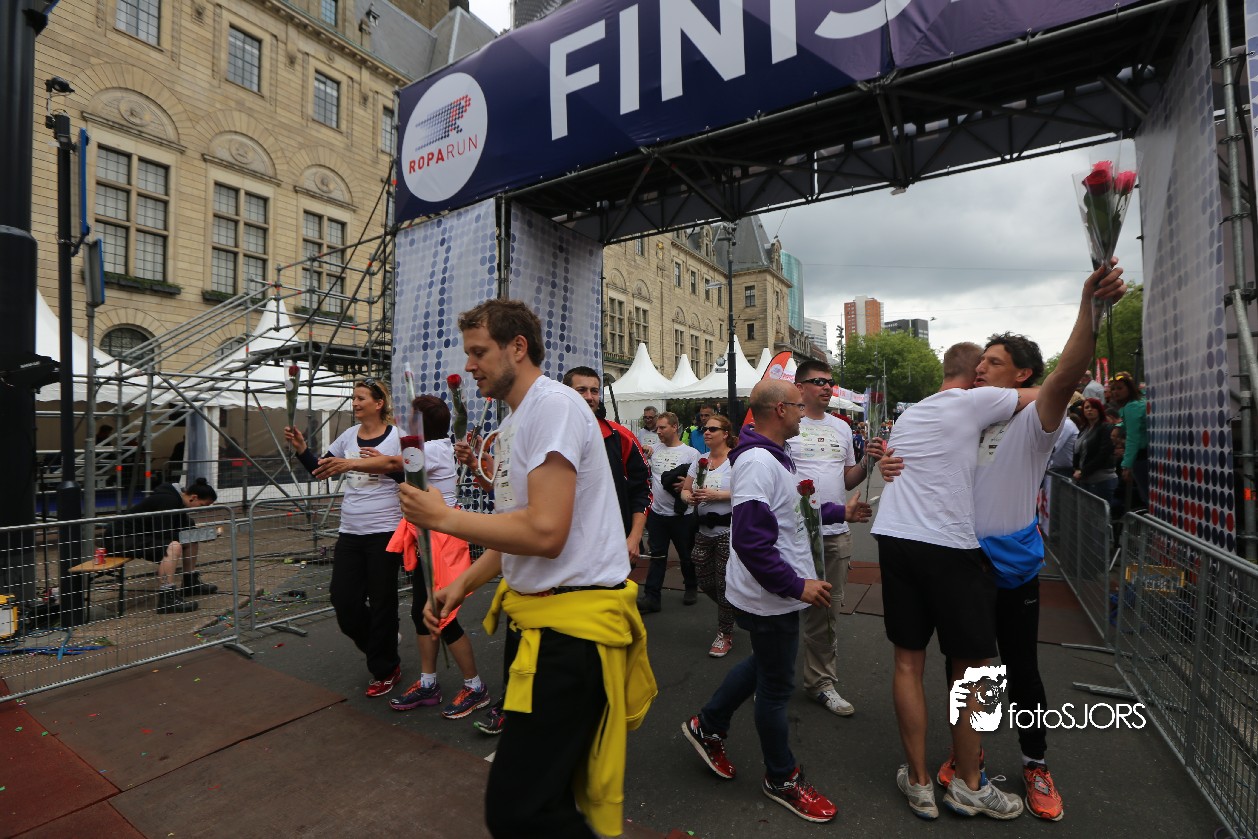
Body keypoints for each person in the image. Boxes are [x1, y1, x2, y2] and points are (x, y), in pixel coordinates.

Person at [400, 299, 654, 839]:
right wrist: (461, 583)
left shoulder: (554, 407)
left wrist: (444, 518)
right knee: (547, 797)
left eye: (479, 352)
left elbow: (545, 533)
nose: (469, 365)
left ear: (518, 347)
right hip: (541, 624)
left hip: (571, 633)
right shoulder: (519, 420)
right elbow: (519, 529)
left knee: (517, 811)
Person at [681, 379, 870, 824]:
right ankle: (781, 777)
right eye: (798, 406)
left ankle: (708, 725)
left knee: (765, 665)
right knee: (776, 686)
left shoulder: (774, 455)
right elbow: (750, 541)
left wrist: (839, 511)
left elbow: (792, 512)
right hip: (770, 596)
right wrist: (795, 586)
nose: (804, 413)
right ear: (779, 410)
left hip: (775, 593)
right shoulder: (757, 462)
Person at [871, 342, 1036, 821]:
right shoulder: (973, 400)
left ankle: (919, 781)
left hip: (895, 536)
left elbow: (899, 463)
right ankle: (969, 785)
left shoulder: (912, 414)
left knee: (908, 662)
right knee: (973, 669)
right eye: (985, 364)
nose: (986, 371)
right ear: (975, 372)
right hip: (947, 543)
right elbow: (1048, 395)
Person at [285, 378, 406, 698]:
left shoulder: (397, 437)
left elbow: (409, 474)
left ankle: (386, 668)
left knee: (382, 602)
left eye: (361, 398)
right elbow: (320, 469)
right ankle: (382, 643)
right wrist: (302, 449)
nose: (355, 403)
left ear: (378, 403)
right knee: (343, 600)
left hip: (385, 530)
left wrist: (378, 464)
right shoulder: (349, 436)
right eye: (353, 398)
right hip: (350, 531)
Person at [789, 359, 885, 717]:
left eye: (830, 382)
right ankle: (772, 679)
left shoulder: (842, 427)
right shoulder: (788, 424)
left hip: (834, 534)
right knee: (781, 609)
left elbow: (847, 478)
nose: (827, 387)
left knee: (825, 613)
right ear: (800, 387)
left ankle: (820, 683)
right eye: (818, 381)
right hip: (792, 535)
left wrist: (868, 463)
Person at [388, 395, 491, 721]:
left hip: (440, 543)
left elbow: (392, 465)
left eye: (411, 417)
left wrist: (350, 464)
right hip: (426, 539)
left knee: (442, 617)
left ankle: (475, 686)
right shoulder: (434, 448)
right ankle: (428, 682)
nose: (406, 421)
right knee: (422, 613)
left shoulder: (431, 449)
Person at [103, 478, 219, 614]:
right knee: (173, 547)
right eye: (202, 505)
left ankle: (190, 583)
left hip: (137, 536)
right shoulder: (168, 500)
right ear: (193, 498)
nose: (201, 510)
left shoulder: (177, 501)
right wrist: (193, 535)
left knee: (190, 541)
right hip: (120, 539)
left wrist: (201, 535)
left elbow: (186, 527)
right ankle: (167, 599)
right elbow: (163, 533)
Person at [680, 414, 737, 657]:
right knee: (704, 578)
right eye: (705, 428)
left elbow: (745, 491)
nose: (706, 432)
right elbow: (685, 489)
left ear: (725, 434)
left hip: (728, 530)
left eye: (713, 429)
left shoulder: (736, 460)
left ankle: (725, 633)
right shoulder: (700, 460)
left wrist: (717, 495)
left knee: (723, 582)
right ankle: (733, 607)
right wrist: (688, 498)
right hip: (703, 529)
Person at [639, 411, 700, 612]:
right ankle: (651, 597)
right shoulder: (654, 449)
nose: (658, 431)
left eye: (662, 427)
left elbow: (701, 481)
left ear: (674, 427)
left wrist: (688, 485)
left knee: (686, 555)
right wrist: (645, 449)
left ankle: (691, 587)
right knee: (657, 556)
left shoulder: (691, 453)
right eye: (657, 428)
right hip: (657, 515)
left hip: (682, 515)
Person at [1110, 371, 1148, 509]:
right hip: (1147, 455)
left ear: (1129, 388)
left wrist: (1127, 465)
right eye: (1113, 389)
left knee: (1148, 497)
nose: (1116, 392)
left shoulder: (1132, 407)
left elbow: (1133, 437)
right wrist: (1119, 425)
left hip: (1142, 457)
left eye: (1120, 388)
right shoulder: (1138, 402)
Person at [1073, 397, 1117, 501]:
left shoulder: (1106, 428)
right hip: (1084, 479)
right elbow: (1077, 451)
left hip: (1101, 479)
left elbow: (1103, 454)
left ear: (1099, 409)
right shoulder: (1084, 429)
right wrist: (1077, 469)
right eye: (1086, 407)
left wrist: (1083, 472)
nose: (1089, 409)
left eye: (1093, 407)